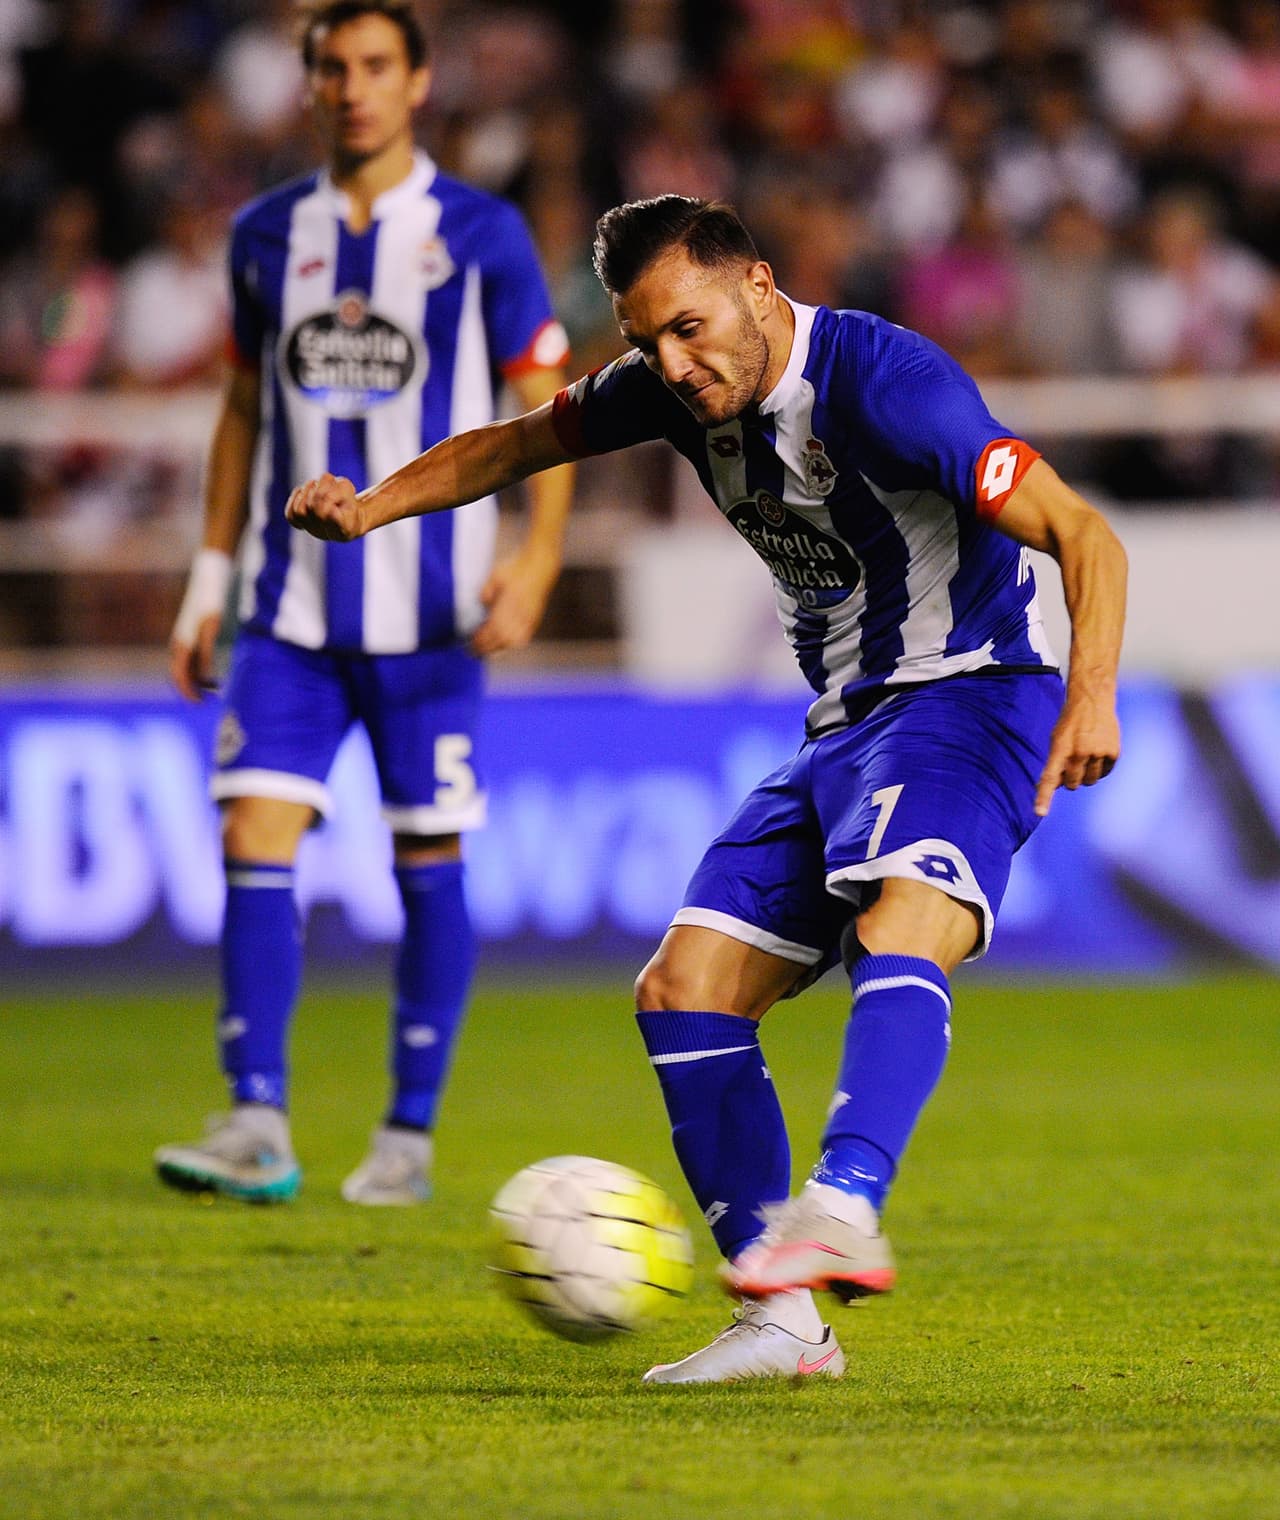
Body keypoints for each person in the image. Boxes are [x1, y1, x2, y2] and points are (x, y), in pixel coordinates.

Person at [286, 194, 1126, 1380]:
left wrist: (1091, 695)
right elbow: (509, 443)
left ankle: (840, 1203)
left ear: (758, 286)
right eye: (646, 343)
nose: (672, 366)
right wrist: (369, 506)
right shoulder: (667, 387)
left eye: (687, 327)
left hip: (974, 692)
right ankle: (783, 1323)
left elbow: (1085, 533)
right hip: (843, 721)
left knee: (904, 914)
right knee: (681, 988)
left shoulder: (886, 382)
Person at [155, 0, 572, 1206]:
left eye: (376, 65)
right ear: (308, 84)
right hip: (288, 614)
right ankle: (255, 1121)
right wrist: (206, 582)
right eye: (333, 67)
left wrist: (537, 558)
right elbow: (241, 411)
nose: (354, 87)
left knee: (426, 853)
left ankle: (406, 1130)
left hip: (431, 616)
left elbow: (544, 408)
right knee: (250, 834)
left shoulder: (480, 235)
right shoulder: (262, 234)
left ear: (419, 80)